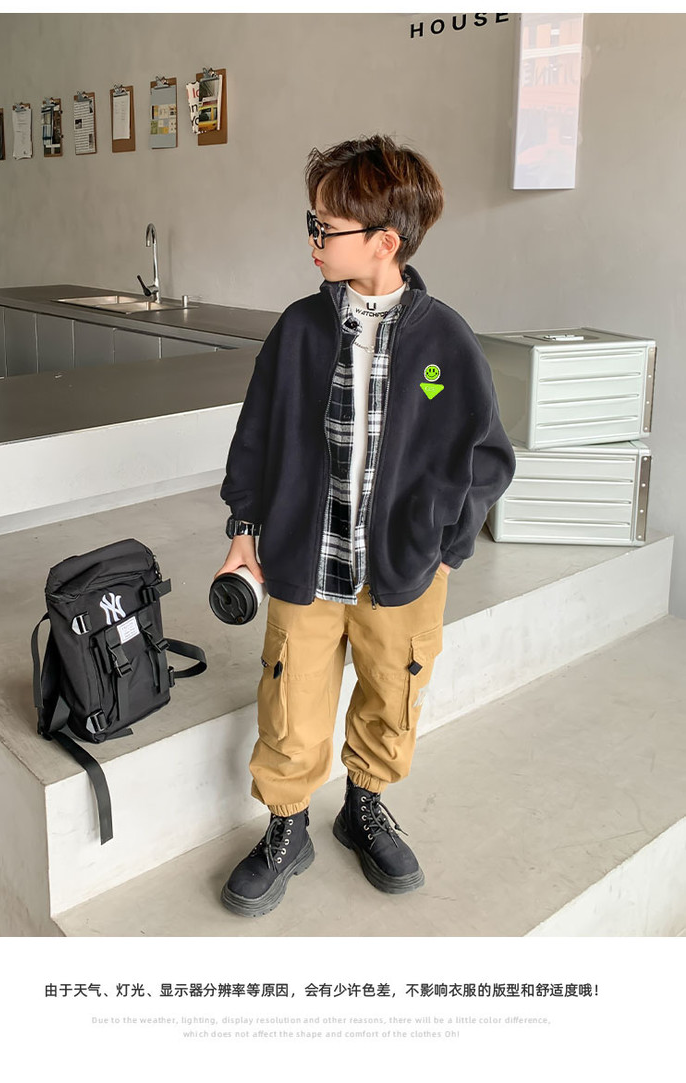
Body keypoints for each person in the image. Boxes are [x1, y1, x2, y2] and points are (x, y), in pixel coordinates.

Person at [215, 134, 515, 917]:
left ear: (385, 241)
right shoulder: (297, 330)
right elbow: (254, 437)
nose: (312, 238)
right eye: (311, 221)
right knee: (290, 705)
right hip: (304, 566)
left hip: (402, 577)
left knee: (392, 697)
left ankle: (363, 806)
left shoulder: (447, 341)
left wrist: (447, 546)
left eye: (326, 226)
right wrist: (244, 528)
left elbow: (487, 457)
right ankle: (288, 827)